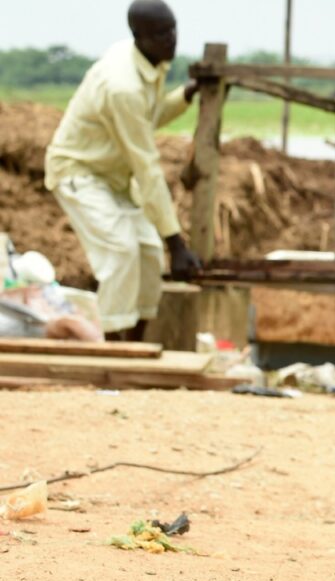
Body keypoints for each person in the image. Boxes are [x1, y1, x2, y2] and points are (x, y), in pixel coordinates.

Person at [44, 0, 201, 342]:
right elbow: (146, 167)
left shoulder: (147, 63)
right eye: (160, 34)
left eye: (172, 30)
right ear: (138, 36)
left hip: (111, 177)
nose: (170, 39)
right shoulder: (122, 85)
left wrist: (186, 94)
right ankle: (113, 352)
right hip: (79, 172)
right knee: (120, 250)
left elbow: (147, 118)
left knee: (147, 251)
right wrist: (177, 243)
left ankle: (136, 346)